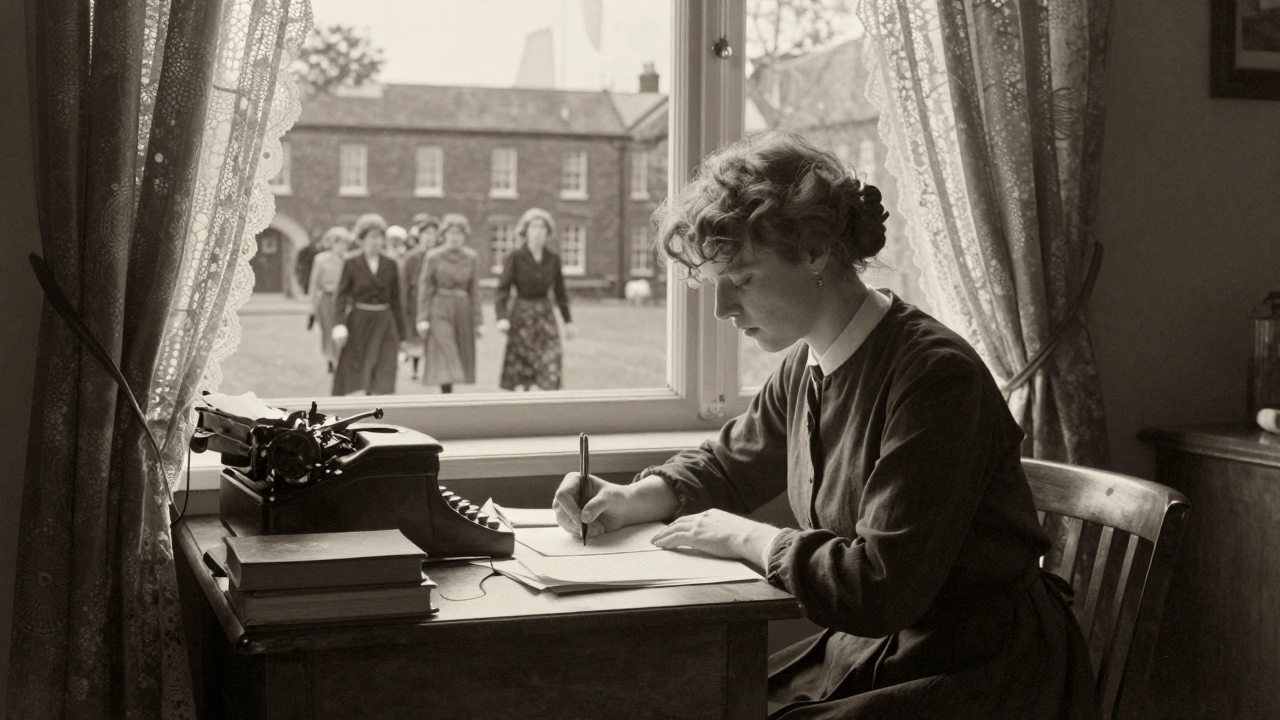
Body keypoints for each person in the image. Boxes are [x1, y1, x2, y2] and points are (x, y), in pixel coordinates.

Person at [551, 131, 1100, 720]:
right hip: (883, 650)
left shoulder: (935, 379)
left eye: (742, 279)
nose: (723, 310)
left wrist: (746, 538)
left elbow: (878, 587)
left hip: (979, 672)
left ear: (815, 250)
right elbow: (730, 464)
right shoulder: (809, 362)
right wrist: (633, 497)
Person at [496, 207, 574, 391]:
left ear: (548, 233)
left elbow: (560, 293)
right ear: (525, 231)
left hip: (545, 317)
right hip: (522, 316)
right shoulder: (515, 257)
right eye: (534, 227)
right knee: (522, 371)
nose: (538, 232)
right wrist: (501, 317)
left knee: (551, 365)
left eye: (542, 228)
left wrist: (568, 321)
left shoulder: (553, 259)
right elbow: (503, 290)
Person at [331, 213, 406, 396]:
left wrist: (402, 336)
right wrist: (339, 324)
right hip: (359, 322)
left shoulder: (391, 264)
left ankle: (377, 409)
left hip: (385, 322)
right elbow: (341, 297)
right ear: (362, 239)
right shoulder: (351, 262)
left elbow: (396, 301)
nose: (376, 242)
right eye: (372, 237)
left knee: (384, 369)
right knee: (358, 371)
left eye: (380, 237)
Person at [415, 213, 483, 393]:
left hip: (462, 308)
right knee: (446, 350)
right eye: (451, 233)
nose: (455, 238)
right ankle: (446, 392)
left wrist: (478, 321)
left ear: (464, 236)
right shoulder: (433, 257)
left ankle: (449, 393)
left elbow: (475, 291)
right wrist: (422, 318)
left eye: (459, 234)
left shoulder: (471, 257)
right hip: (440, 307)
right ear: (444, 235)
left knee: (460, 352)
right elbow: (425, 288)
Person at [400, 214, 439, 381]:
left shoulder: (440, 256)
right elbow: (403, 285)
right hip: (414, 302)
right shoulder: (411, 257)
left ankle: (432, 367)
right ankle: (415, 368)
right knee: (415, 337)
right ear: (419, 236)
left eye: (433, 234)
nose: (429, 238)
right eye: (426, 234)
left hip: (436, 301)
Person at [307, 226, 351, 374]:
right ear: (332, 243)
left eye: (344, 242)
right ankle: (330, 359)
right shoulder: (321, 259)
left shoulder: (350, 259)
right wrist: (312, 306)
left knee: (344, 328)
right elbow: (314, 283)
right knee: (329, 330)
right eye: (338, 242)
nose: (341, 246)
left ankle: (341, 358)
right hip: (327, 298)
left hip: (345, 300)